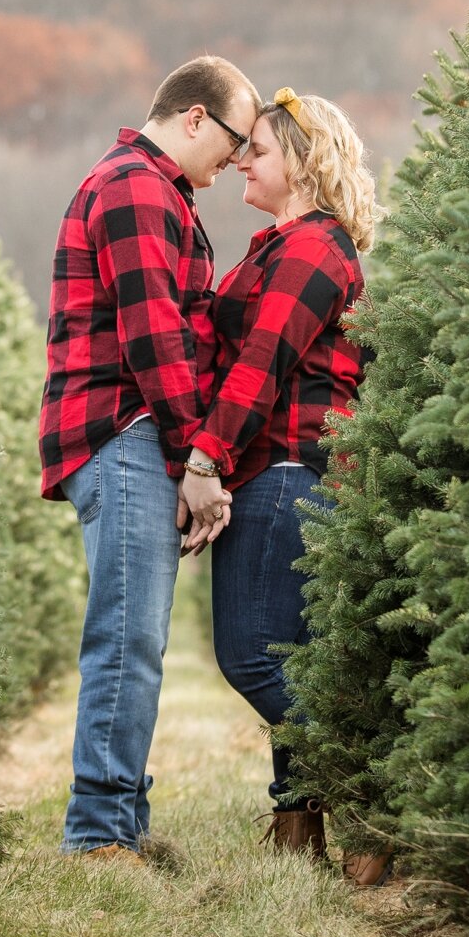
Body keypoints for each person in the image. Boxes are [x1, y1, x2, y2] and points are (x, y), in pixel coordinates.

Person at [41, 54, 261, 863]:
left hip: (134, 433)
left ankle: (122, 821)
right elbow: (152, 337)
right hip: (126, 429)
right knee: (126, 635)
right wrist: (194, 457)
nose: (236, 162)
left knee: (138, 634)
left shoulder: (157, 189)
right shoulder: (136, 187)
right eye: (234, 141)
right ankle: (98, 831)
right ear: (195, 117)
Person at [177, 86, 377, 865]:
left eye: (255, 151)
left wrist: (205, 458)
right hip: (277, 470)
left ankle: (370, 788)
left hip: (290, 470)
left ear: (300, 160)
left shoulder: (314, 248)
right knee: (290, 657)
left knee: (250, 654)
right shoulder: (279, 245)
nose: (239, 165)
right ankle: (300, 838)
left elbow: (262, 365)